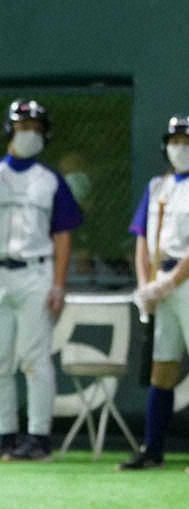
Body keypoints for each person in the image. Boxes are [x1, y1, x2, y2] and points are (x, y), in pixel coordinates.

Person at [118, 115, 189, 471]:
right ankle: (152, 449)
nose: (181, 148)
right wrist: (145, 285)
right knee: (161, 368)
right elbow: (142, 237)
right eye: (175, 140)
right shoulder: (156, 187)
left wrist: (170, 281)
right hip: (159, 281)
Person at [0, 98, 82, 461]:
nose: (28, 134)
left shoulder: (50, 180)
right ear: (10, 129)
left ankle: (37, 436)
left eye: (34, 128)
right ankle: (4, 434)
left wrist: (58, 283)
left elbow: (62, 234)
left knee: (34, 359)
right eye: (22, 126)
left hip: (36, 271)